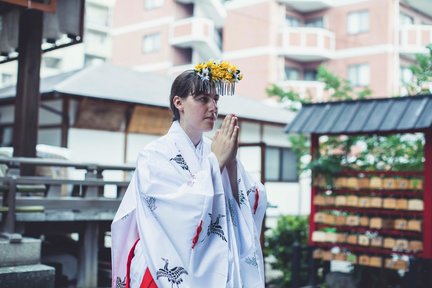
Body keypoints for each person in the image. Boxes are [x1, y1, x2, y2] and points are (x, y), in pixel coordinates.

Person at [111, 61, 267, 288]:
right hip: (165, 260)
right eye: (203, 99)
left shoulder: (215, 149)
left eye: (216, 99)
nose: (213, 107)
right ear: (179, 103)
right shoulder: (154, 155)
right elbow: (173, 211)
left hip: (218, 259)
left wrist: (230, 164)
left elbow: (252, 196)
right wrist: (217, 164)